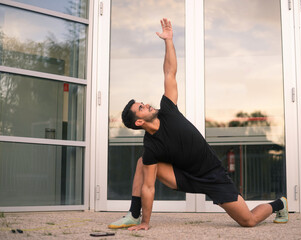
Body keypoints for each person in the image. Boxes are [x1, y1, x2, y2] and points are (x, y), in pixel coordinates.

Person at [108, 18, 289, 231]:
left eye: (143, 103)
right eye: (141, 107)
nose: (146, 104)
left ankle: (280, 204)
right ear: (139, 122)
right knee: (143, 163)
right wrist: (147, 223)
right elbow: (148, 187)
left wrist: (168, 41)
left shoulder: (168, 109)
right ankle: (135, 215)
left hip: (212, 174)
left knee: (247, 220)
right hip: (183, 176)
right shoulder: (151, 147)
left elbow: (169, 72)